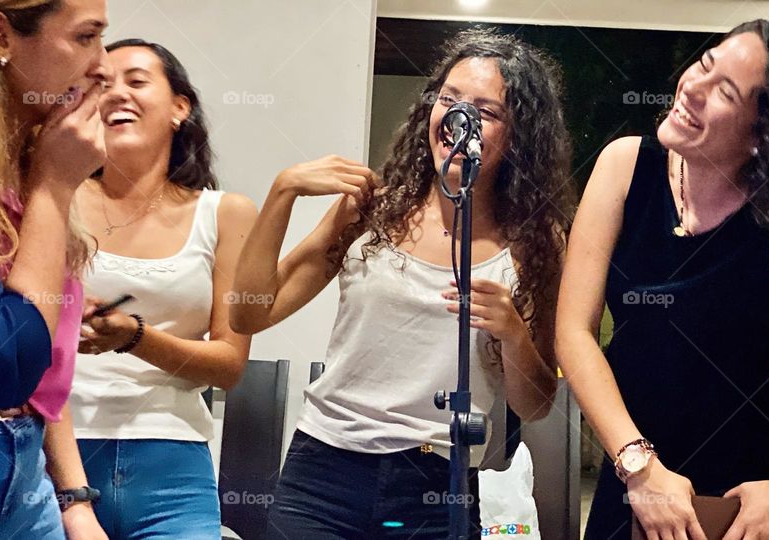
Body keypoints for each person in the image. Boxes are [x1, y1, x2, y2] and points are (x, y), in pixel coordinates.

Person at [555, 19, 769, 540]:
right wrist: (639, 468)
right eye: (706, 64)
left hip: (741, 508)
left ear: (766, 134)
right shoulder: (625, 167)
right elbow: (574, 333)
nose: (692, 86)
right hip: (630, 481)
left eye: (726, 92)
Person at [232, 29, 575, 539]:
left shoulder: (536, 241)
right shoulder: (371, 207)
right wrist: (283, 193)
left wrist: (514, 335)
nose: (458, 119)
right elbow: (249, 313)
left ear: (519, 135)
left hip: (440, 482)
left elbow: (537, 402)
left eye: (484, 110)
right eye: (449, 100)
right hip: (324, 473)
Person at [69, 38, 258, 540]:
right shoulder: (52, 195)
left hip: (173, 461)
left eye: (135, 81)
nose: (116, 94)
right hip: (58, 450)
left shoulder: (226, 214)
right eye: (102, 84)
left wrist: (134, 336)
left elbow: (229, 364)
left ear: (180, 107)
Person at [0, 0, 111, 538]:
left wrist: (73, 498)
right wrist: (55, 187)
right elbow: (3, 366)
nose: (104, 66)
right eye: (86, 37)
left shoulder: (21, 167)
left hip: (26, 463)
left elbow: (37, 368)